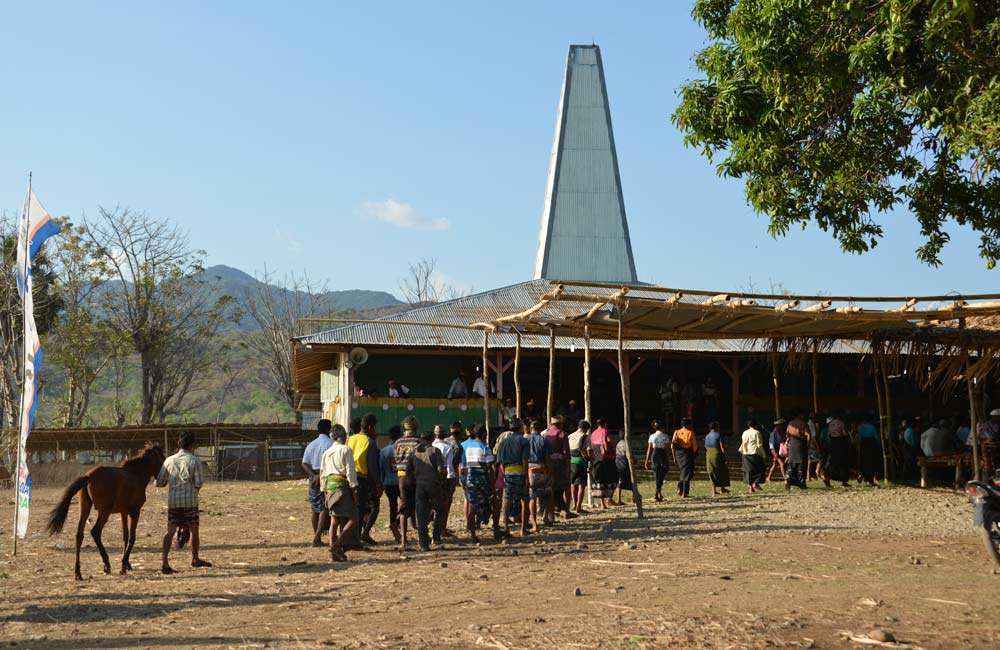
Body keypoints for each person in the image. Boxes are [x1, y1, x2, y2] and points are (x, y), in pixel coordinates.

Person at [157, 431, 211, 574]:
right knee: (194, 531)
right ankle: (195, 559)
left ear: (178, 443)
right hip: (190, 502)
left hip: (173, 502)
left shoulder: (169, 460)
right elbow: (199, 483)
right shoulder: (194, 460)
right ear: (193, 445)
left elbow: (160, 482)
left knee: (169, 532)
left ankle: (164, 562)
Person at [320, 424, 358, 562]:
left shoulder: (326, 452)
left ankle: (333, 553)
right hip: (342, 487)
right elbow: (350, 471)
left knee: (334, 520)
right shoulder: (346, 450)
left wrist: (324, 490)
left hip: (329, 488)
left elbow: (322, 473)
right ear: (344, 436)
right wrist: (354, 488)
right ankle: (336, 545)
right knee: (353, 518)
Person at [406, 429, 447, 551]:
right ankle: (436, 536)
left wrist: (414, 482)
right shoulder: (435, 451)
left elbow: (408, 472)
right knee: (440, 510)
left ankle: (423, 544)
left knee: (421, 515)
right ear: (432, 439)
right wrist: (442, 481)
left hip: (420, 486)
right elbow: (441, 469)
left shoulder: (413, 453)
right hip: (434, 484)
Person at [347, 413, 382, 545]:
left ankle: (354, 537)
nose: (375, 431)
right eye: (374, 428)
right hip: (362, 479)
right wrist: (378, 484)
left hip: (349, 477)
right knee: (363, 509)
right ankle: (358, 538)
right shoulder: (369, 442)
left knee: (354, 508)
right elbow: (372, 466)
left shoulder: (350, 439)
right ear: (369, 427)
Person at [494, 418, 530, 537]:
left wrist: (505, 475)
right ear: (520, 428)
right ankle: (523, 529)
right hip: (520, 472)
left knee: (507, 500)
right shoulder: (524, 441)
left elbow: (500, 463)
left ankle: (506, 528)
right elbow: (525, 460)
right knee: (524, 500)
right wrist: (525, 477)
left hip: (508, 473)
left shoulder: (503, 442)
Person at [300, 419, 333, 547]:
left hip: (313, 478)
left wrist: (312, 475)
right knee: (325, 507)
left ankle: (316, 535)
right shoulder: (331, 444)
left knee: (314, 509)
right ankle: (317, 536)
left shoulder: (311, 444)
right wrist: (319, 475)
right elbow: (330, 463)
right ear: (328, 429)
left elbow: (304, 463)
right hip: (325, 476)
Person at [460, 425, 494, 543]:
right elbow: (490, 468)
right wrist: (492, 484)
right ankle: (495, 529)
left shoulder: (467, 447)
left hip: (470, 479)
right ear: (484, 434)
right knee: (491, 501)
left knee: (472, 505)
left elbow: (463, 467)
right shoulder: (485, 447)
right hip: (482, 480)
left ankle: (472, 533)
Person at [393, 416, 422, 550]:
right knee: (420, 505)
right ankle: (422, 539)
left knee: (403, 507)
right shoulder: (418, 442)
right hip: (415, 477)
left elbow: (395, 461)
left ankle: (404, 540)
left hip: (402, 477)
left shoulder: (398, 442)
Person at [434, 423, 462, 537]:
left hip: (433, 478)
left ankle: (437, 527)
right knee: (446, 504)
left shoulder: (432, 445)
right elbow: (451, 466)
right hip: (447, 477)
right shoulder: (454, 446)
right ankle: (442, 528)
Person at [544, 416, 574, 520]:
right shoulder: (563, 434)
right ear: (560, 424)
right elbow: (566, 452)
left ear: (551, 424)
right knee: (566, 487)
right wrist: (568, 467)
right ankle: (566, 510)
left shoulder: (545, 434)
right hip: (560, 464)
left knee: (551, 488)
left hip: (548, 464)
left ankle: (552, 512)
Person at [526, 419, 552, 531]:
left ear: (530, 428)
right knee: (546, 494)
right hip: (542, 468)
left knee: (532, 497)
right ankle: (546, 518)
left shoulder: (525, 440)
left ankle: (535, 523)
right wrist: (550, 471)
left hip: (530, 469)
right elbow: (547, 458)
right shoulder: (544, 440)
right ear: (540, 429)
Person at [380, 425, 403, 543]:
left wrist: (381, 483)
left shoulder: (383, 451)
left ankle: (394, 528)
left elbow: (381, 469)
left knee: (392, 506)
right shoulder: (402, 449)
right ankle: (397, 523)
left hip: (388, 483)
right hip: (401, 482)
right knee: (407, 505)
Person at [589, 419, 618, 508]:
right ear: (605, 424)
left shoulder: (593, 433)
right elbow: (607, 442)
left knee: (600, 480)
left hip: (596, 459)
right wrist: (613, 445)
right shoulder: (605, 431)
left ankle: (603, 503)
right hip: (606, 458)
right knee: (614, 477)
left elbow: (591, 446)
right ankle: (609, 499)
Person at [671, 418, 699, 497]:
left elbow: (672, 445)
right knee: (688, 472)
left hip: (678, 454)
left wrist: (674, 457)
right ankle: (684, 492)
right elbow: (695, 446)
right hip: (687, 453)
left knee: (683, 471)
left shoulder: (676, 432)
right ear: (688, 425)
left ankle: (681, 489)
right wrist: (695, 453)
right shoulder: (690, 432)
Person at [569, 420, 592, 513]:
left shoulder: (570, 435)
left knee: (573, 484)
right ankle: (579, 507)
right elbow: (588, 449)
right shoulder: (585, 437)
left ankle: (574, 505)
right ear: (586, 429)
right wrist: (589, 459)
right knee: (581, 485)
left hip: (571, 462)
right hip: (581, 462)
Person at [645, 420, 670, 501]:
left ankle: (657, 493)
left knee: (657, 474)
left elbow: (649, 449)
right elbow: (667, 449)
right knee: (662, 474)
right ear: (662, 427)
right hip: (662, 454)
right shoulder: (665, 436)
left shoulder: (652, 436)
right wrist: (668, 459)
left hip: (655, 454)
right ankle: (657, 493)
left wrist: (647, 460)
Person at [739, 419, 767, 492]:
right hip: (755, 453)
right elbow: (759, 445)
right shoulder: (757, 432)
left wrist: (743, 451)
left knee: (748, 471)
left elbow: (743, 443)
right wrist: (763, 454)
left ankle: (750, 487)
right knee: (760, 469)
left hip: (745, 453)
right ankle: (755, 483)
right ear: (756, 425)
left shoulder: (745, 432)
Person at [704, 421, 731, 495]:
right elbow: (722, 447)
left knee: (712, 471)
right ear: (716, 427)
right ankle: (722, 488)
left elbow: (705, 447)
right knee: (722, 471)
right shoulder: (718, 435)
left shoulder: (707, 436)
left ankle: (714, 490)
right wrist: (725, 457)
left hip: (709, 454)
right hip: (717, 454)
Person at [784, 414, 809, 490]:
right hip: (800, 444)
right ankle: (801, 483)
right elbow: (808, 434)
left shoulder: (790, 424)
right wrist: (808, 444)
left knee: (792, 463)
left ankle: (788, 478)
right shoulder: (803, 423)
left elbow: (787, 434)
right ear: (799, 414)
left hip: (792, 444)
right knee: (802, 463)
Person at [826, 413, 851, 487]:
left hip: (832, 443)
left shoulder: (830, 424)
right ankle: (844, 481)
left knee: (833, 462)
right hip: (840, 443)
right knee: (843, 462)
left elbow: (829, 435)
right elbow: (845, 433)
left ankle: (828, 478)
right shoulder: (841, 423)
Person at [856, 415, 881, 486]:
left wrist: (859, 446)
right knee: (871, 461)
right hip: (871, 445)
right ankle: (870, 480)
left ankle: (862, 476)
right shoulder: (872, 427)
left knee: (863, 461)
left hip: (863, 444)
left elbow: (859, 437)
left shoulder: (860, 427)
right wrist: (878, 444)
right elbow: (876, 436)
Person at [978, 409, 1000, 477]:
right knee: (992, 463)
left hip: (985, 446)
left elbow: (980, 436)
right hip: (991, 447)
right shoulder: (996, 424)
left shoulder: (986, 424)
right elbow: (994, 436)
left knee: (988, 464)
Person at [614, 434, 632, 505]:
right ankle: (634, 497)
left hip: (618, 461)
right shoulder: (626, 444)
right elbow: (628, 455)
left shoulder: (618, 443)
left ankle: (618, 499)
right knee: (631, 479)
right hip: (624, 462)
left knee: (620, 481)